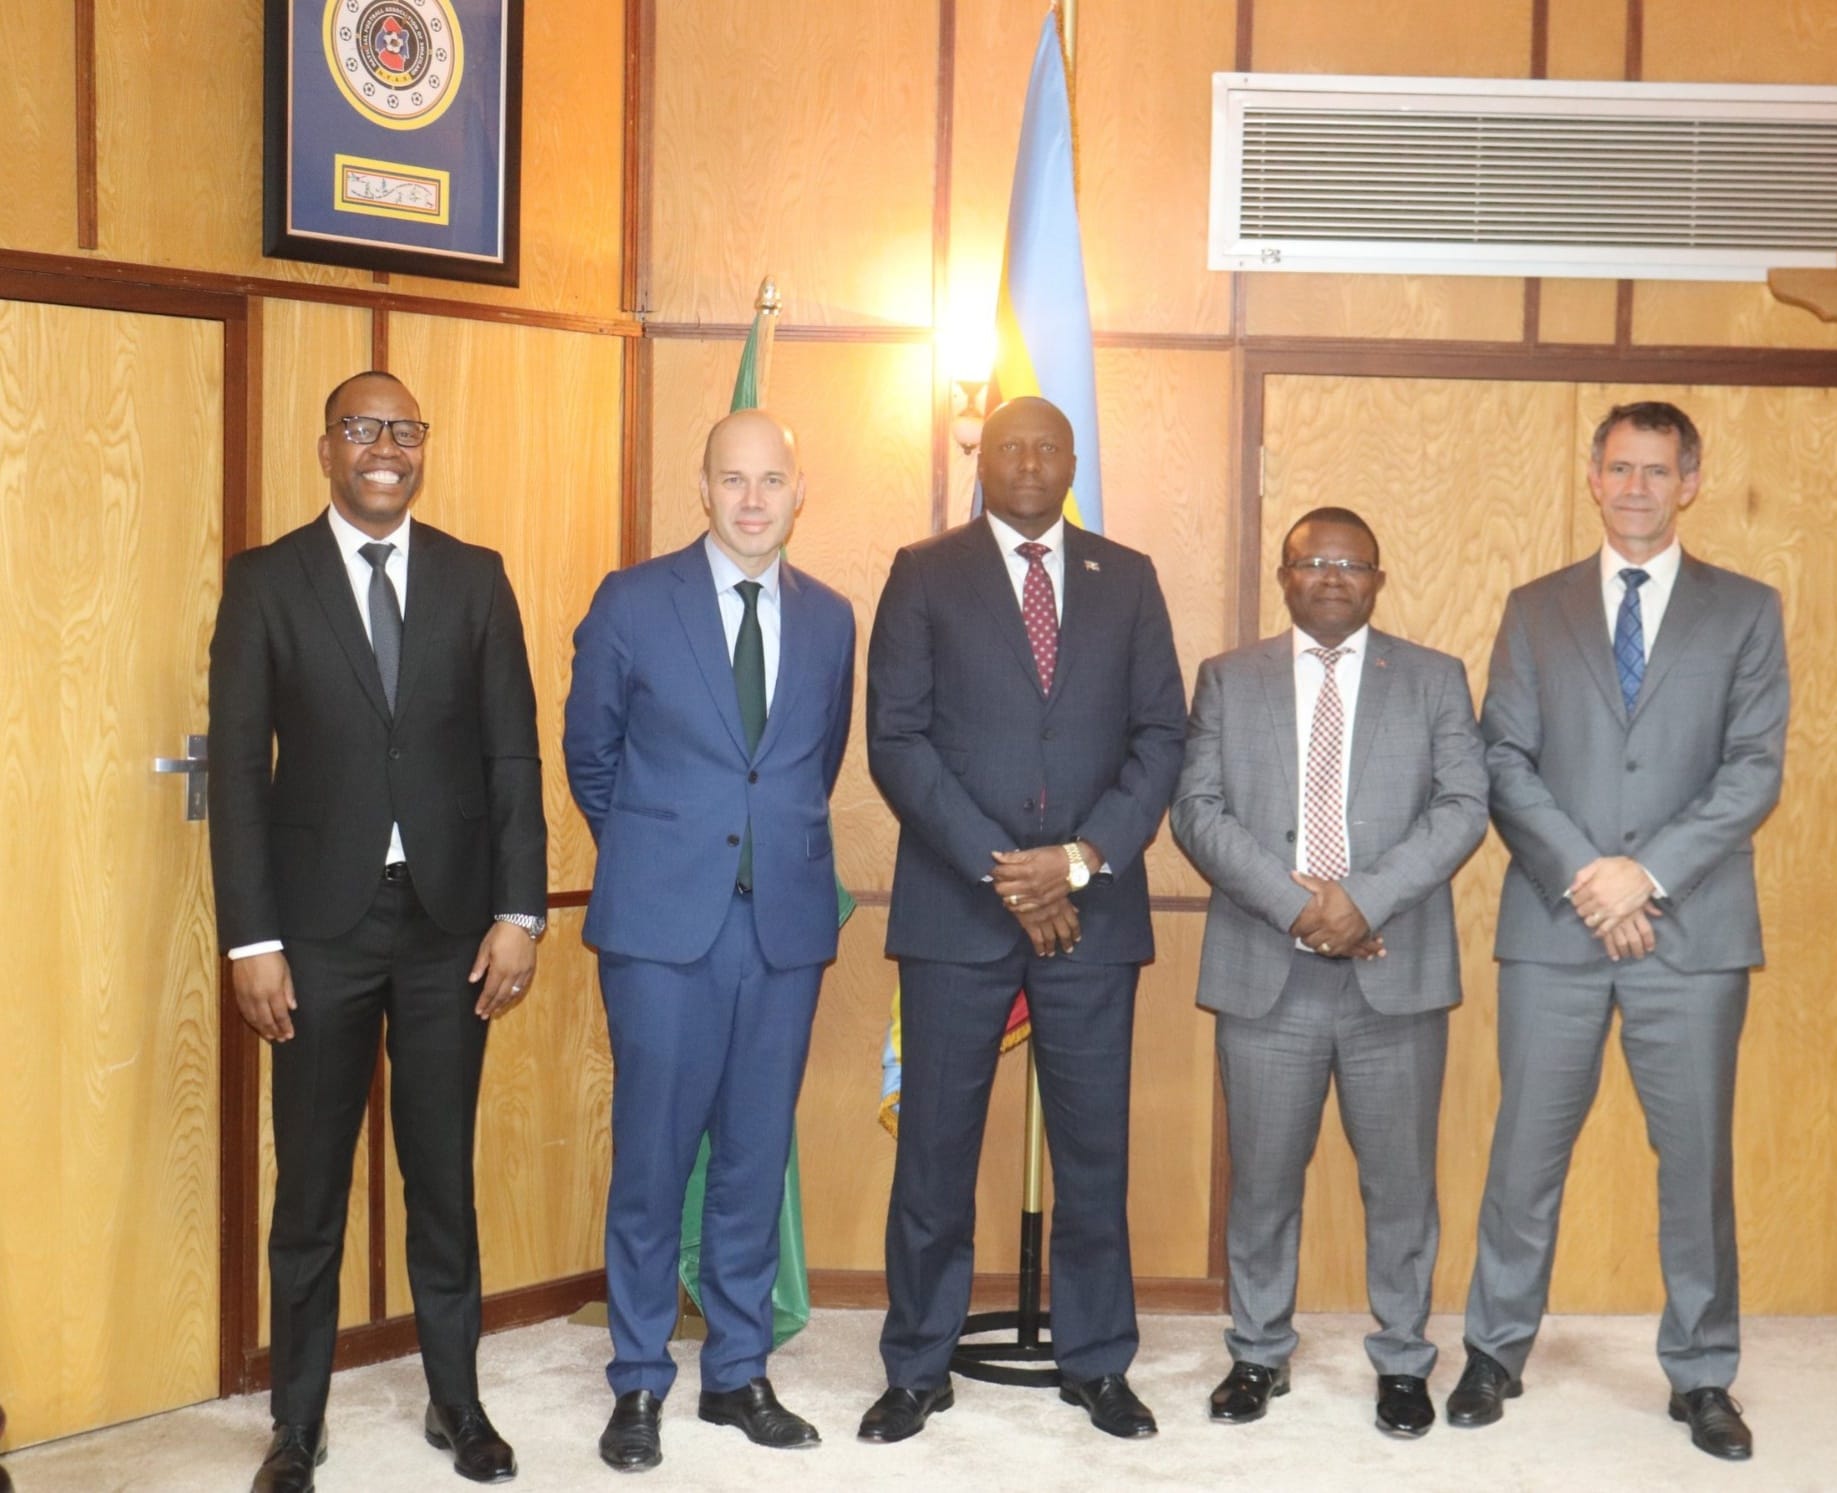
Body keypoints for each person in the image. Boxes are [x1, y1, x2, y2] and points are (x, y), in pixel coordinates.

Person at [210, 371, 547, 1492]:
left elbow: (511, 753)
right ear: (326, 448)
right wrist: (251, 940)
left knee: (441, 1178)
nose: (385, 447)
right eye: (362, 428)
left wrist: (518, 912)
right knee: (309, 1193)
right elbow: (239, 773)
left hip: (450, 931)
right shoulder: (266, 581)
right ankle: (296, 1424)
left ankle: (458, 1401)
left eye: (403, 429)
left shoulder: (474, 576)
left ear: (422, 447)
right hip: (316, 936)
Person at [1447, 401, 1789, 1462]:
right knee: (1523, 1151)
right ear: (1592, 478)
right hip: (1555, 925)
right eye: (1619, 468)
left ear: (1689, 481)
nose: (1636, 486)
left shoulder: (1745, 610)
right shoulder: (1533, 607)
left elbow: (1752, 769)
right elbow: (1501, 757)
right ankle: (1493, 1349)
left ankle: (1701, 1372)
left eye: (1656, 469)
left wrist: (1644, 875)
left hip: (1693, 936)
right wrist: (1588, 876)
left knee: (1695, 1164)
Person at [859, 395, 1187, 1443]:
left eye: (1048, 446)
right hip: (958, 906)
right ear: (982, 462)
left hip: (1093, 910)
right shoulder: (924, 571)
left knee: (1094, 1153)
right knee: (934, 1153)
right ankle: (916, 1364)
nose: (1030, 462)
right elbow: (895, 738)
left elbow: (1161, 735)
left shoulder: (1126, 575)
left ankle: (1097, 1360)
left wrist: (1078, 859)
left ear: (1073, 459)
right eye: (1010, 446)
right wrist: (1005, 870)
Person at [564, 409, 855, 1474]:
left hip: (782, 925)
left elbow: (811, 763)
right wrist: (661, 854)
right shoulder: (633, 600)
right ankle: (639, 1376)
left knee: (752, 1154)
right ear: (702, 487)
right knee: (651, 1157)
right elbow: (589, 753)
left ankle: (737, 1371)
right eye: (732, 478)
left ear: (798, 491)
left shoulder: (830, 617)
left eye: (770, 479)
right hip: (660, 930)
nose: (751, 499)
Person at [1171, 507, 1487, 1439]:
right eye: (1313, 561)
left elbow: (1463, 805)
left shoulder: (1433, 678)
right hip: (1265, 966)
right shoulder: (1228, 678)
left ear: (1377, 580)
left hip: (1395, 968)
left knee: (1400, 1183)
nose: (1332, 575)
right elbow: (1196, 810)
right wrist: (1298, 905)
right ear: (1284, 575)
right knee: (1263, 1179)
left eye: (1351, 563)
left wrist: (1361, 901)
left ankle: (1403, 1360)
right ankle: (1257, 1351)